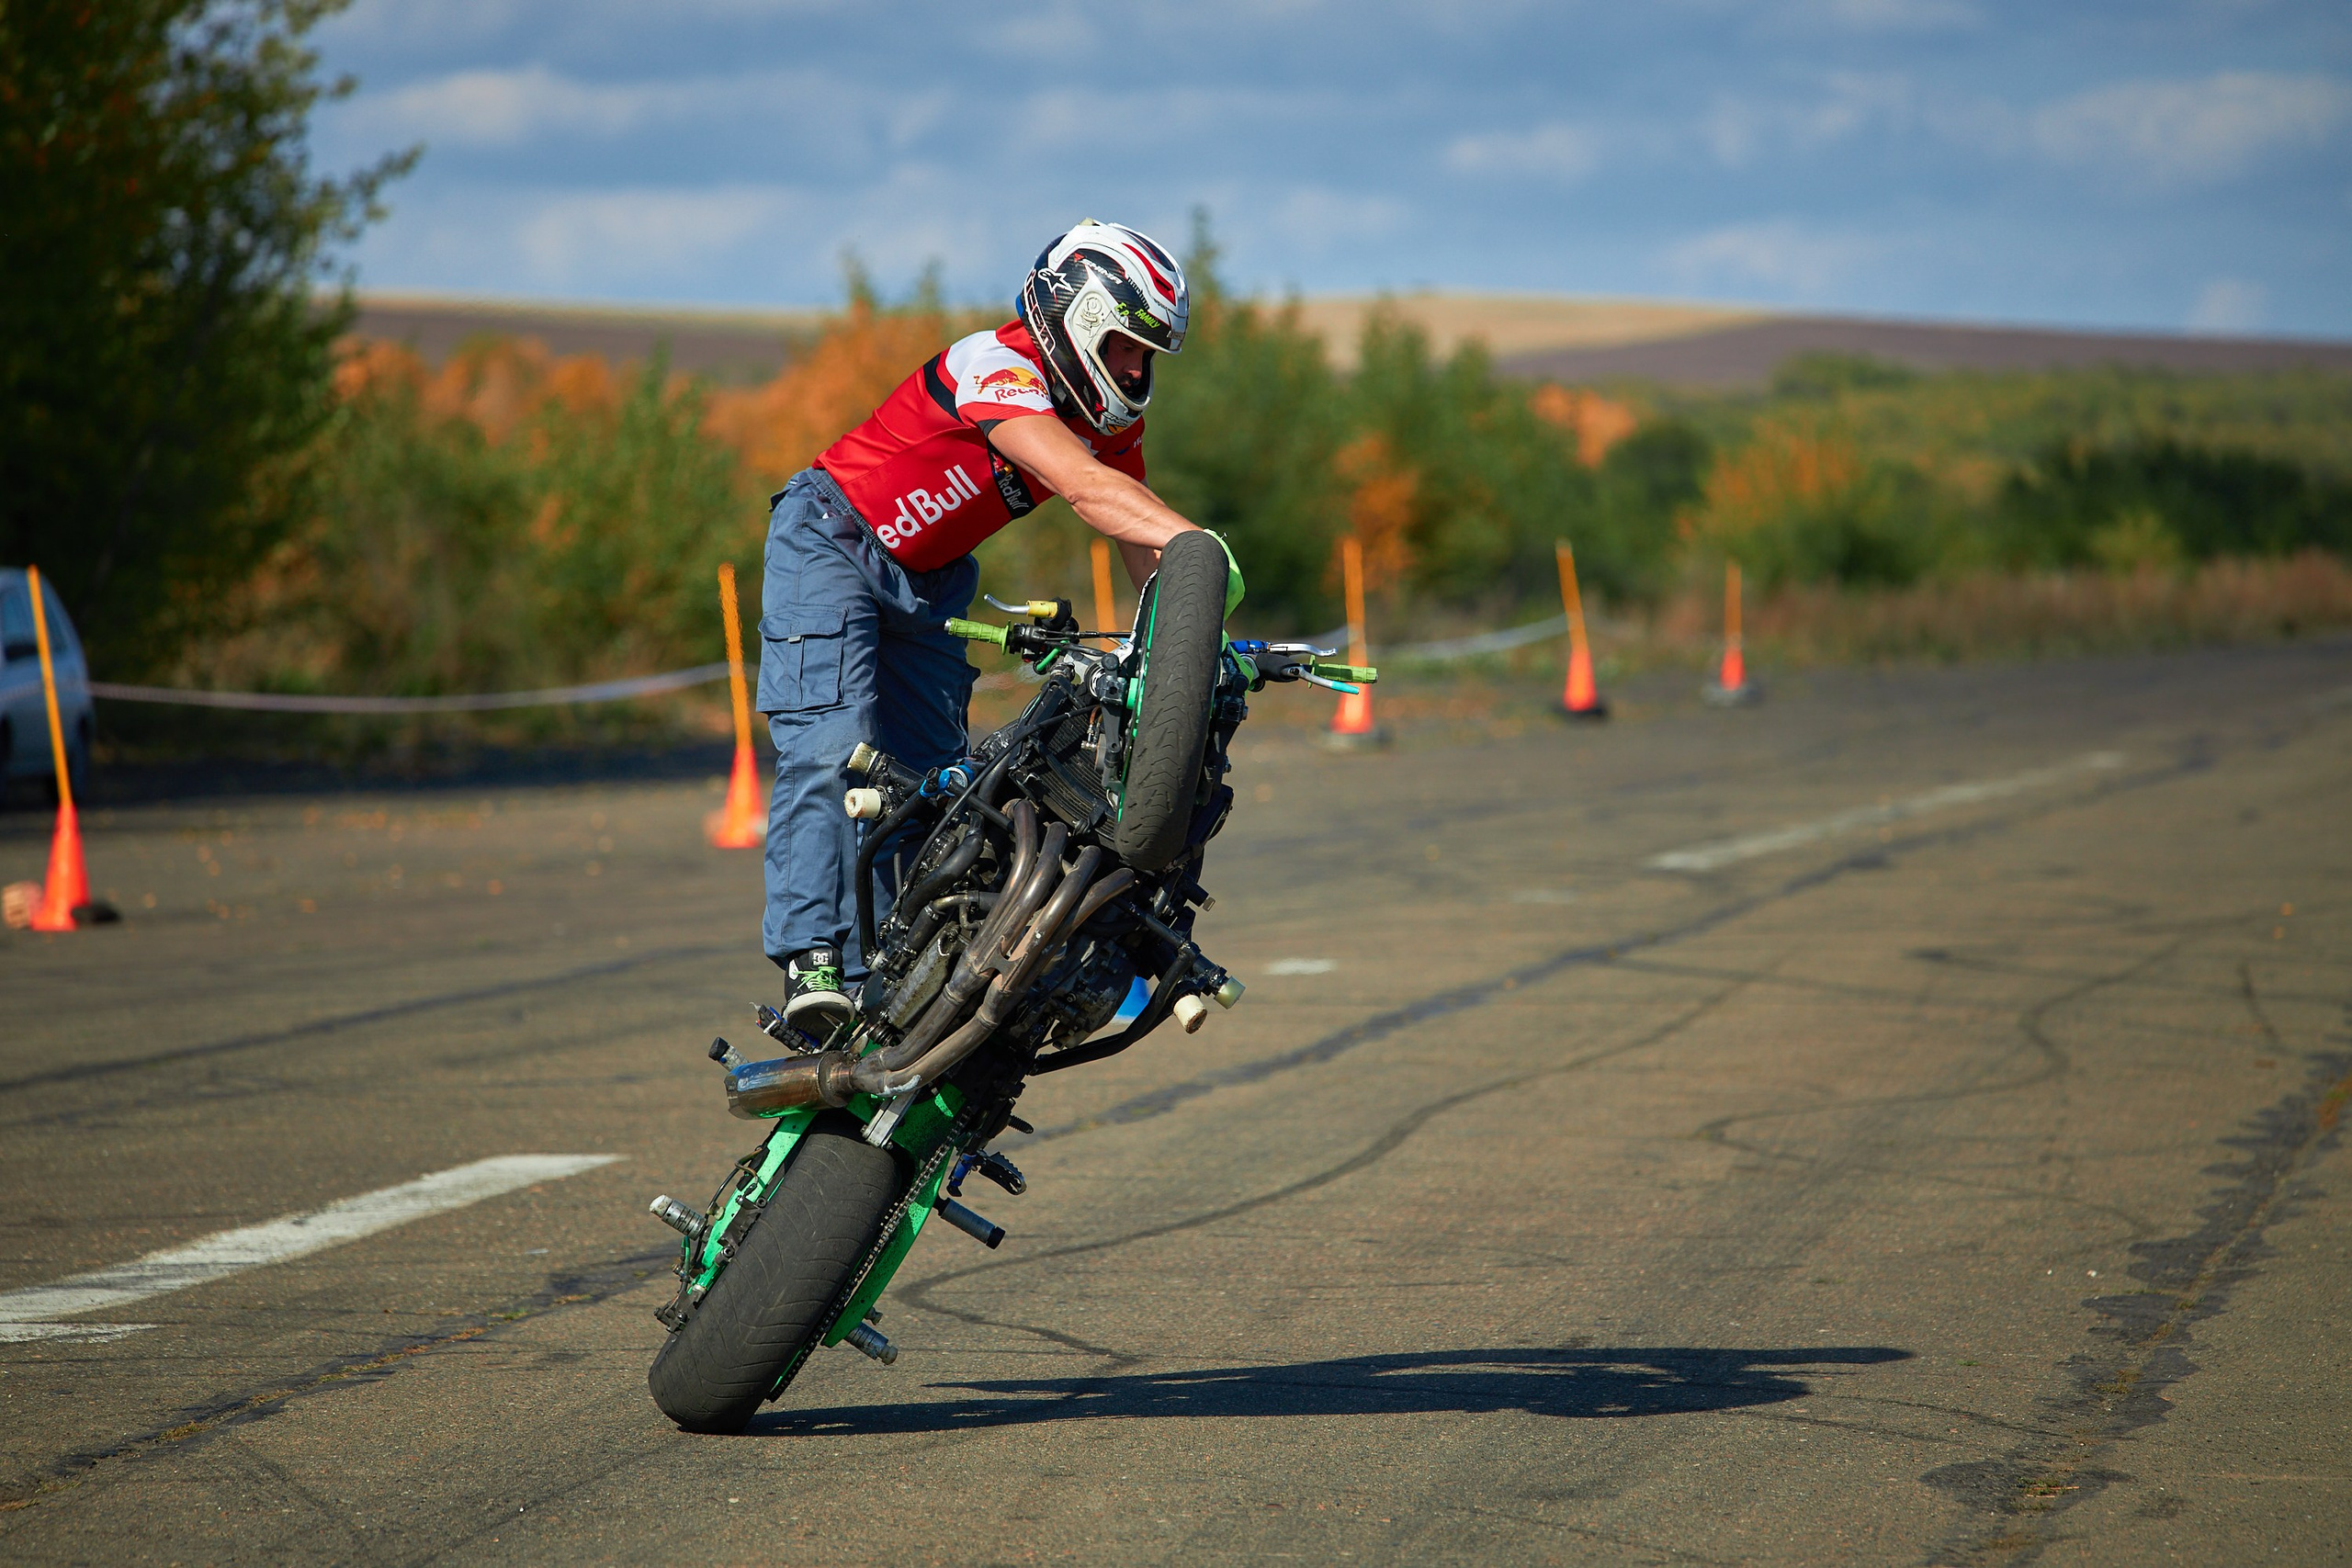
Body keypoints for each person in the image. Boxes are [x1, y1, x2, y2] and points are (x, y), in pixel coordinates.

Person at [758, 220, 1204, 1026]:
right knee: (835, 751)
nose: (1137, 371)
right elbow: (1087, 489)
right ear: (1075, 322)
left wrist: (1191, 639)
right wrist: (1201, 549)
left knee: (940, 796)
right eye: (1125, 348)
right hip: (833, 539)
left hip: (929, 585)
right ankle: (815, 964)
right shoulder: (992, 365)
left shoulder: (1107, 422)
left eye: (1147, 356)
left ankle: (902, 980)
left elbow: (1142, 540)